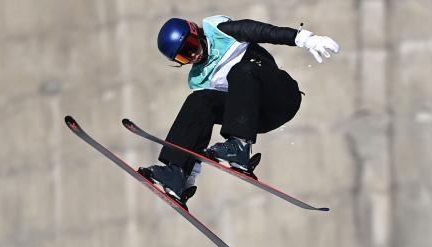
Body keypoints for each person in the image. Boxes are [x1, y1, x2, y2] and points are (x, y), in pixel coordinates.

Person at [138, 16, 340, 206]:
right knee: (199, 101)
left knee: (242, 69)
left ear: (195, 32)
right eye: (184, 57)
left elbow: (265, 32)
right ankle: (176, 173)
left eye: (191, 46)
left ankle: (240, 147)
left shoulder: (222, 32)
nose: (194, 55)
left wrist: (304, 39)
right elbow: (199, 126)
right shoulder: (199, 79)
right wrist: (189, 177)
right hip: (256, 117)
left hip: (282, 97)